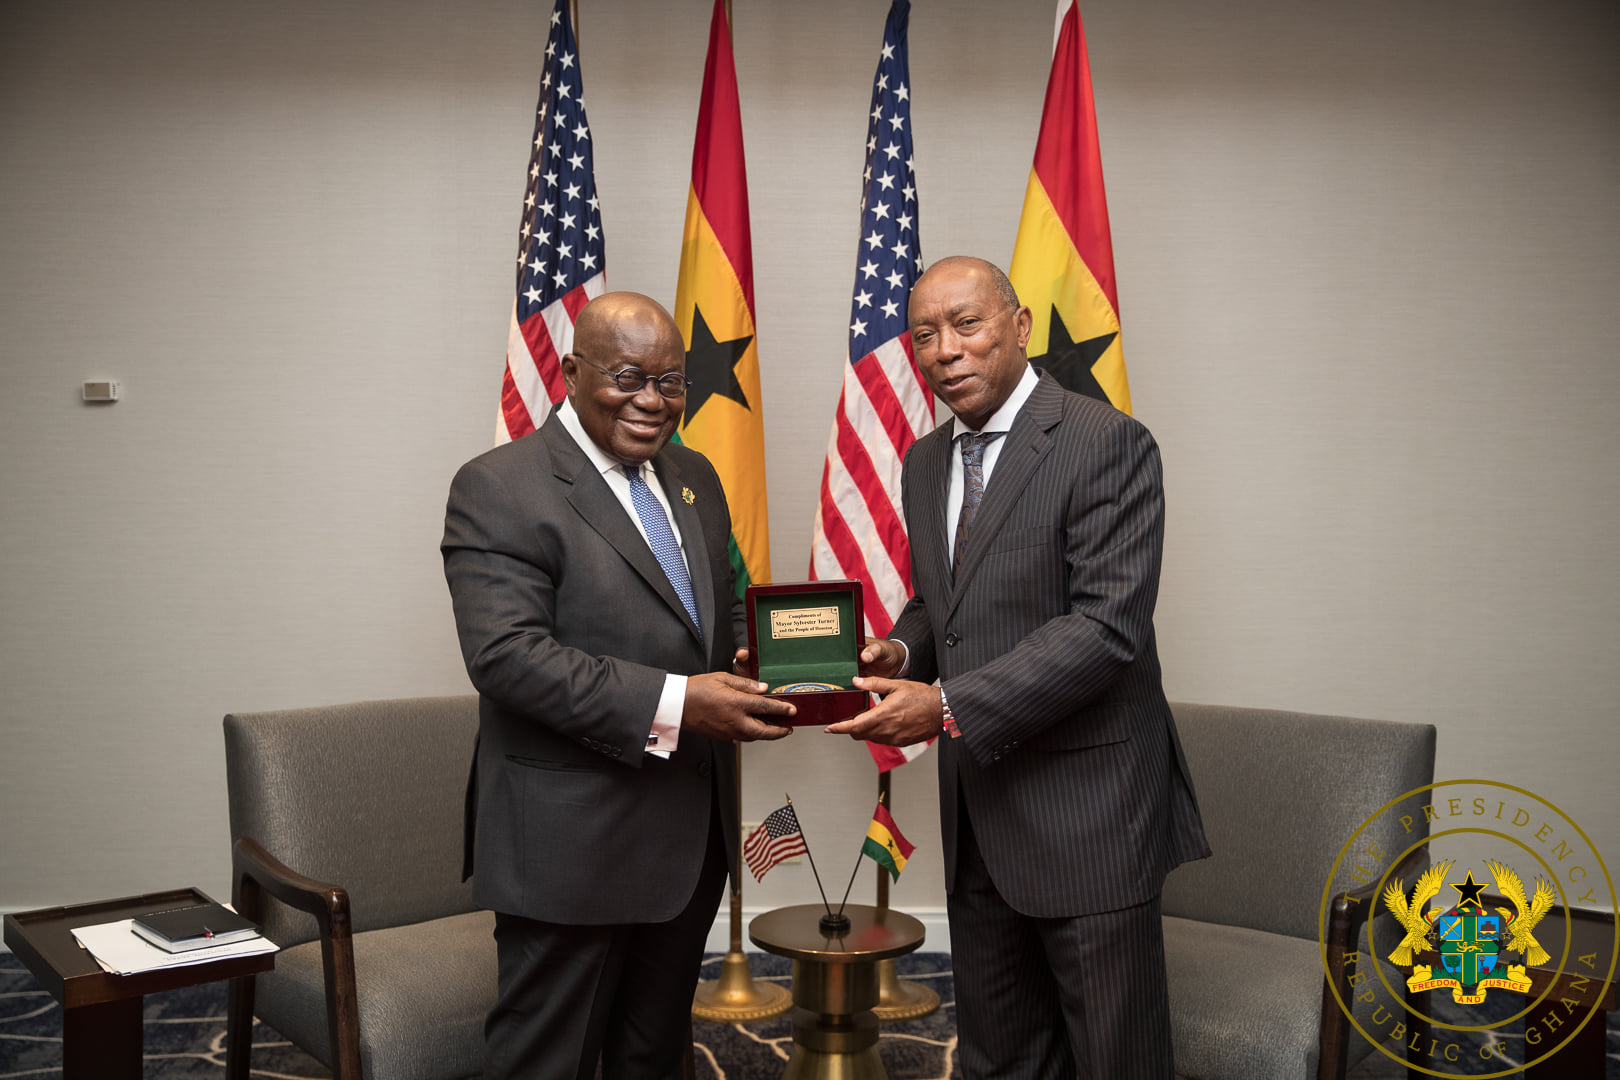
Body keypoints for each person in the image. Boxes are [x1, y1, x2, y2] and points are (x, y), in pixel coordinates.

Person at [827, 257, 1210, 1079]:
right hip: (980, 812)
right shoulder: (925, 461)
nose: (945, 351)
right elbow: (945, 601)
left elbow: (1106, 629)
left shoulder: (1106, 443)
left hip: (1090, 817)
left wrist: (944, 705)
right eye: (924, 335)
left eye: (966, 324)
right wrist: (899, 651)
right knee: (1000, 1059)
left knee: (1115, 1060)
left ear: (1020, 324)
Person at [441, 291, 795, 1080]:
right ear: (573, 372)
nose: (652, 401)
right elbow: (506, 656)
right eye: (628, 377)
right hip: (571, 846)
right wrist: (681, 702)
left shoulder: (694, 476)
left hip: (687, 837)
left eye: (670, 383)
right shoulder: (501, 486)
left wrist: (782, 668)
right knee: (547, 1062)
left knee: (653, 1054)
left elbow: (712, 623)